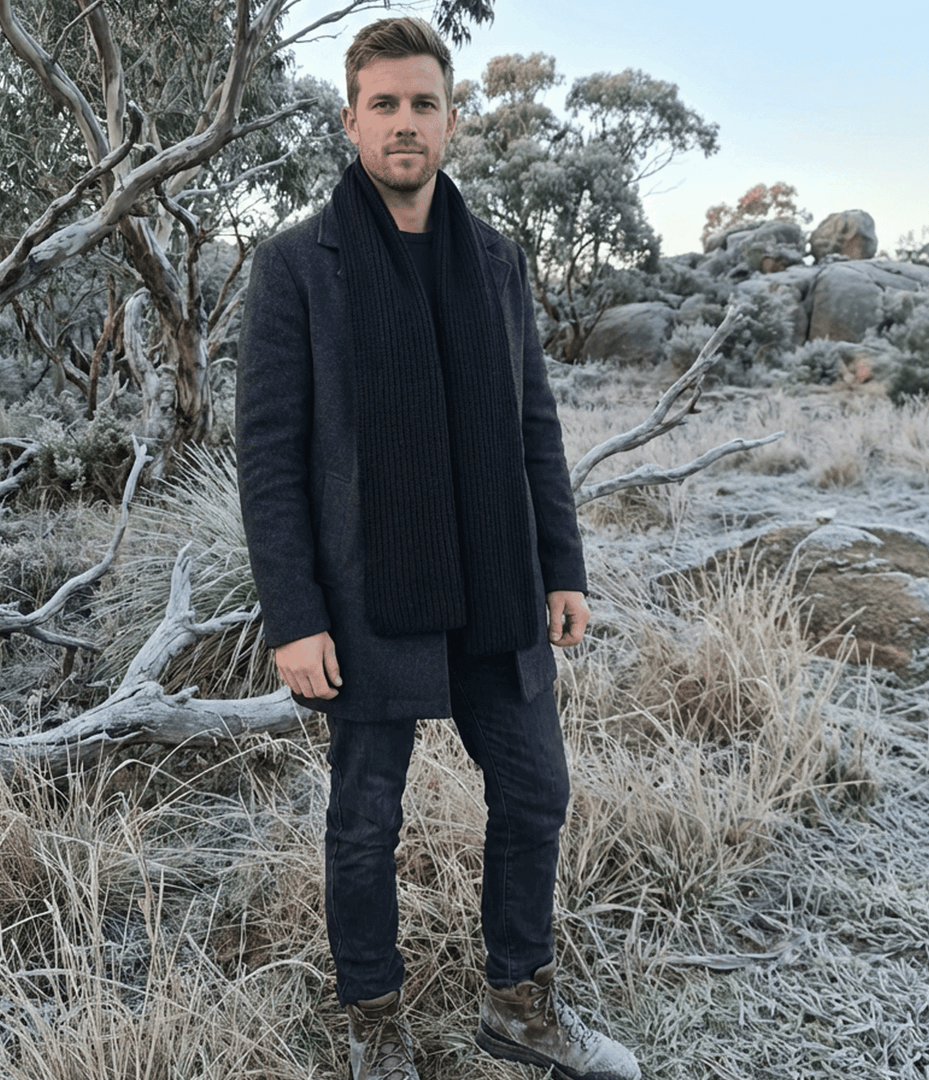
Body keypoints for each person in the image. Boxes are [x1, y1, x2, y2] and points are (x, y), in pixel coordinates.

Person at [236, 16, 641, 1080]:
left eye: (423, 103)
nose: (404, 123)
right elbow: (269, 454)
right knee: (367, 819)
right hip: (369, 597)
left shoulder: (496, 262)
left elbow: (533, 427)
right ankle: (374, 1024)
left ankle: (519, 1004)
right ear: (351, 119)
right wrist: (295, 614)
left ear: (452, 120)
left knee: (536, 791)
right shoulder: (296, 267)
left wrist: (563, 564)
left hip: (497, 579)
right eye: (385, 104)